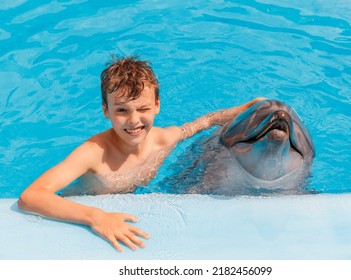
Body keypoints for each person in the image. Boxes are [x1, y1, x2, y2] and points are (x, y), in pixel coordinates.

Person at [18, 56, 266, 252]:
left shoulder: (163, 139)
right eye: (122, 110)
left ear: (157, 105)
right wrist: (94, 217)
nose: (134, 120)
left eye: (143, 108)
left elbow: (203, 122)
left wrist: (244, 110)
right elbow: (31, 196)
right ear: (106, 110)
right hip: (82, 206)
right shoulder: (93, 153)